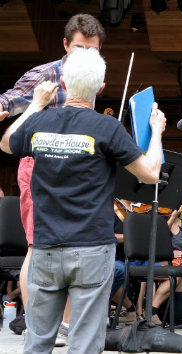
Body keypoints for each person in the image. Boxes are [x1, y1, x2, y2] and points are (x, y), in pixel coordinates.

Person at [0, 47, 166, 354]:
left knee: (37, 341)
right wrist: (156, 132)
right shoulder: (108, 127)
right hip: (91, 249)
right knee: (85, 344)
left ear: (62, 85)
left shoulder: (39, 122)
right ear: (101, 88)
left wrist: (35, 105)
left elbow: (7, 143)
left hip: (46, 248)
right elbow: (151, 174)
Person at [0, 13, 105, 346]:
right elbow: (5, 102)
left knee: (73, 244)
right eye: (79, 48)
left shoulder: (94, 72)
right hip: (39, 164)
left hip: (75, 170)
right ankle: (37, 326)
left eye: (92, 50)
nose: (85, 56)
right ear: (64, 44)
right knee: (37, 243)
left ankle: (65, 327)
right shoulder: (46, 73)